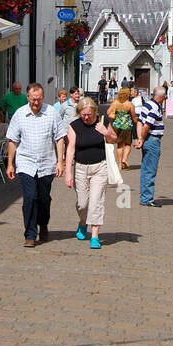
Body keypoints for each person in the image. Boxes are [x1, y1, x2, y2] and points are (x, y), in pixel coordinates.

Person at [6, 83, 67, 248]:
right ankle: (30, 234)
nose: (36, 103)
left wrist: (60, 161)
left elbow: (60, 137)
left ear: (43, 97)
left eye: (39, 99)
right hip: (26, 163)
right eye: (33, 99)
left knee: (44, 199)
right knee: (30, 197)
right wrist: (10, 163)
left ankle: (44, 223)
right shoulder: (19, 114)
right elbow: (13, 140)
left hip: (47, 163)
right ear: (27, 97)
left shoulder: (51, 113)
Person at [63, 96, 118, 249]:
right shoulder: (74, 126)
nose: (86, 118)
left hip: (100, 167)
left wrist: (105, 132)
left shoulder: (102, 122)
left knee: (96, 202)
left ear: (94, 112)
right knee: (82, 204)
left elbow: (114, 139)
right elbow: (70, 149)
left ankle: (95, 236)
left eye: (89, 115)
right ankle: (82, 222)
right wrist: (68, 172)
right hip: (80, 168)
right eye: (83, 115)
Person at [136, 86, 167, 207]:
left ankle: (145, 196)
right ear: (162, 96)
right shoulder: (154, 108)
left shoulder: (147, 104)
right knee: (150, 170)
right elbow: (146, 126)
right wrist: (142, 139)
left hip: (147, 140)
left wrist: (139, 139)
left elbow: (139, 122)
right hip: (152, 140)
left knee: (145, 169)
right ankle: (147, 198)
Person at [107, 87, 139, 173]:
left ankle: (120, 164)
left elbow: (108, 112)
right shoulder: (130, 104)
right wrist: (137, 123)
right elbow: (133, 116)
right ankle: (124, 159)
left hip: (117, 126)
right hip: (127, 126)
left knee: (119, 145)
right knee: (128, 144)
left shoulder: (115, 103)